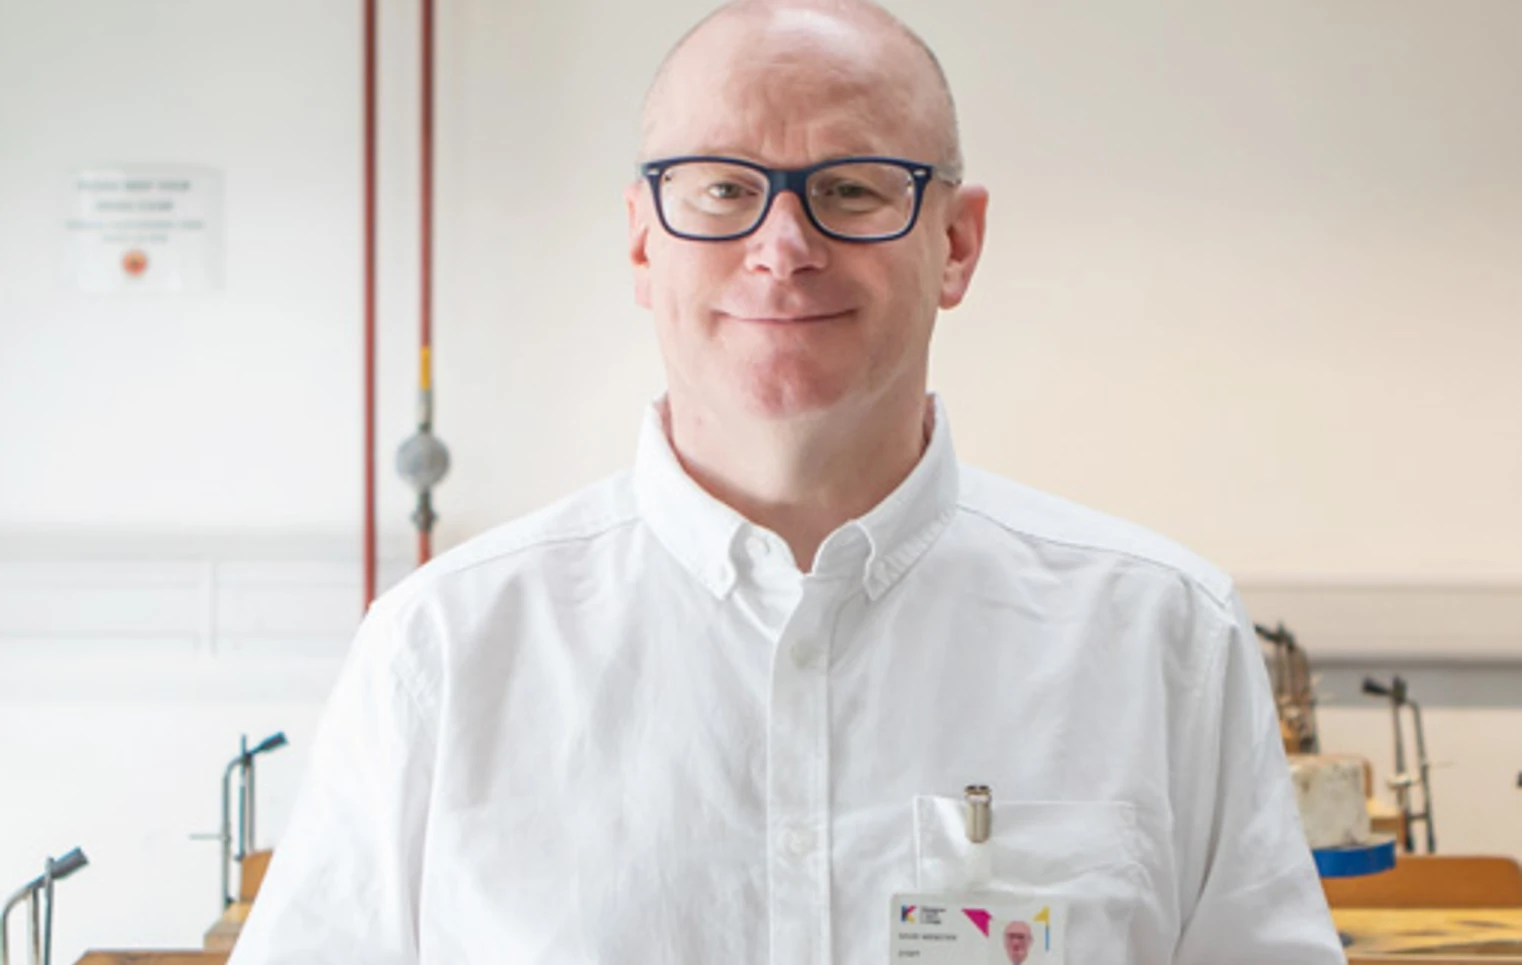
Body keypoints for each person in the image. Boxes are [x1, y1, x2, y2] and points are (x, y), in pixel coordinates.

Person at [230, 1, 1344, 962]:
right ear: (640, 243)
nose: (782, 243)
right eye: (721, 189)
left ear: (956, 243)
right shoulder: (442, 652)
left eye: (852, 190)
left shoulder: (1159, 636)